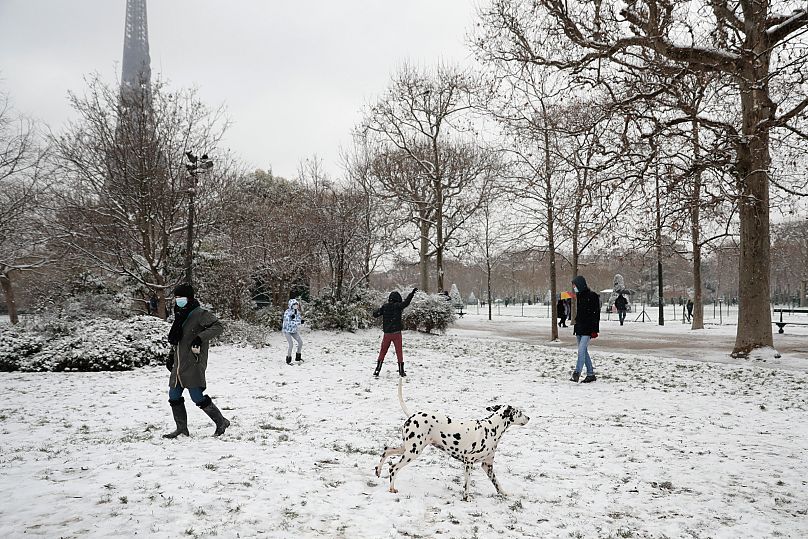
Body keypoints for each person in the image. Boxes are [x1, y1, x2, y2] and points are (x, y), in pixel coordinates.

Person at [163, 283, 229, 438]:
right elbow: (177, 339)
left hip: (193, 361)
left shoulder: (200, 313)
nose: (178, 300)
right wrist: (171, 355)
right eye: (176, 297)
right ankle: (181, 428)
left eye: (181, 297)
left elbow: (218, 326)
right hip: (179, 363)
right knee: (174, 395)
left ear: (190, 297)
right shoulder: (179, 314)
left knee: (197, 396)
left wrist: (200, 338)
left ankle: (221, 422)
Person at [373, 288, 417, 377]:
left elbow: (375, 314)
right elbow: (406, 303)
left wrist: (378, 310)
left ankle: (377, 369)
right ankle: (401, 370)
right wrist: (411, 294)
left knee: (383, 351)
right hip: (396, 333)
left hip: (387, 334)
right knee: (399, 352)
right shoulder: (398, 306)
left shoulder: (385, 307)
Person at [570, 275, 599, 383]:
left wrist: (595, 330)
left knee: (581, 350)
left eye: (575, 285)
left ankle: (577, 372)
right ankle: (590, 374)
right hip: (579, 328)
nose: (574, 287)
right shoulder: (579, 296)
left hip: (587, 328)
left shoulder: (592, 296)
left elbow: (596, 314)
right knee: (584, 351)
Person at [282, 298, 304, 365]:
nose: (296, 306)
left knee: (300, 342)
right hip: (287, 330)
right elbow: (288, 322)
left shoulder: (297, 312)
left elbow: (298, 320)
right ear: (291, 305)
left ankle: (298, 357)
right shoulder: (287, 312)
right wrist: (296, 321)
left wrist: (300, 321)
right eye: (294, 304)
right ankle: (288, 359)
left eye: (296, 304)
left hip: (294, 330)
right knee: (291, 344)